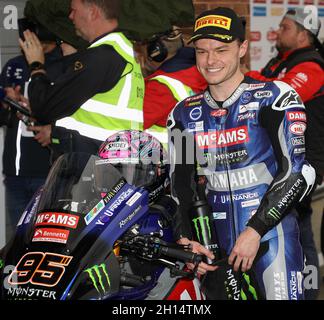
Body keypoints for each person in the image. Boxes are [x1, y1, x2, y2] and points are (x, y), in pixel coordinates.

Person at [167, 7, 316, 300]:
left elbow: (297, 173)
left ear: (242, 49)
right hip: (214, 246)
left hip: (270, 235)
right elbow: (180, 185)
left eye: (221, 49)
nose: (211, 60)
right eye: (202, 51)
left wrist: (255, 230)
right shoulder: (183, 114)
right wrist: (187, 242)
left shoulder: (275, 98)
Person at [246, 8, 324, 300]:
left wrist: (248, 78)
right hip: (282, 159)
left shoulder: (312, 66)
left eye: (285, 27)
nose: (277, 32)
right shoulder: (280, 62)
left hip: (305, 163)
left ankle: (309, 291)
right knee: (285, 225)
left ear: (303, 35)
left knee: (300, 230)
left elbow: (279, 96)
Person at [17, 0, 145, 158]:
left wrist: (36, 65)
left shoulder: (101, 57)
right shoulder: (122, 48)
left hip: (97, 168)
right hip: (108, 161)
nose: (70, 16)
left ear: (93, 12)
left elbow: (44, 108)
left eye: (74, 10)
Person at [143, 28, 207, 144]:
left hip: (162, 159)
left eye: (141, 48)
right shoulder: (201, 75)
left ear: (156, 52)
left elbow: (127, 125)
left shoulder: (159, 87)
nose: (138, 55)